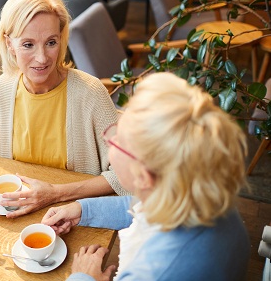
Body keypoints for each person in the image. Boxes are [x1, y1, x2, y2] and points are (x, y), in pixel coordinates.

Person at [41, 72, 250, 281]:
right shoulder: (200, 191)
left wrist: (83, 277)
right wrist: (82, 210)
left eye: (119, 139)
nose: (108, 140)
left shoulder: (156, 272)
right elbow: (143, 207)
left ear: (143, 177)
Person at [0, 0, 127, 219]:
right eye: (28, 44)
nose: (42, 58)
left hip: (74, 216)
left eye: (51, 42)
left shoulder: (91, 92)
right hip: (17, 215)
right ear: (9, 44)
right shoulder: (4, 87)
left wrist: (54, 193)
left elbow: (125, 175)